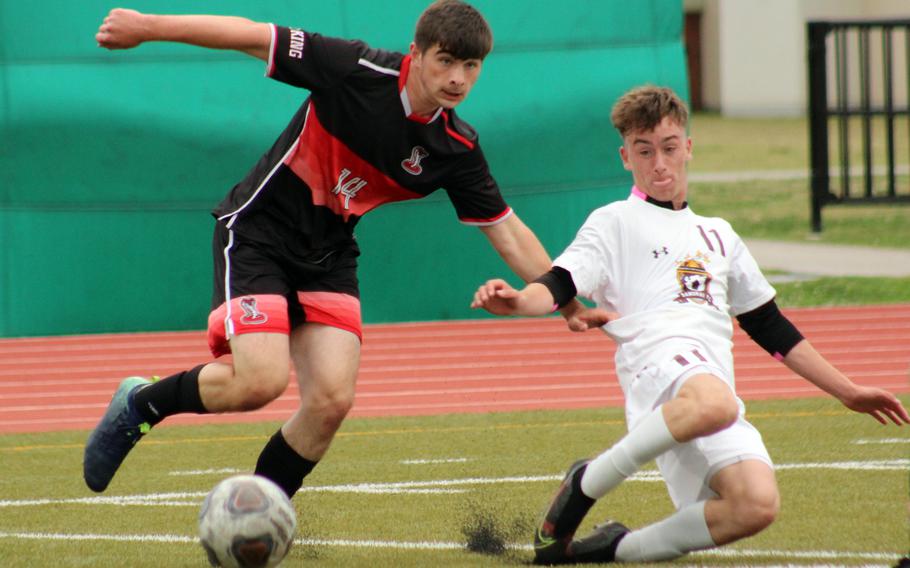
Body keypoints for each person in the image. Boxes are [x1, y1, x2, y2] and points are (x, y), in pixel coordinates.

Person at [84, 0, 580, 497]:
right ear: (417, 53)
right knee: (259, 382)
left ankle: (259, 510)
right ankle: (141, 404)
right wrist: (148, 27)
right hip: (260, 231)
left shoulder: (456, 148)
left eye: (471, 66)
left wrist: (566, 301)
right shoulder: (354, 68)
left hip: (329, 255)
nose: (458, 78)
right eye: (446, 60)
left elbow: (507, 229)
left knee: (330, 401)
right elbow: (251, 35)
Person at [471, 85, 909, 565]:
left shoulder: (718, 234)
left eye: (669, 147)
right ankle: (586, 483)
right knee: (715, 402)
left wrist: (847, 391)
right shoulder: (614, 222)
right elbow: (557, 283)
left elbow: (770, 327)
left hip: (706, 388)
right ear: (625, 158)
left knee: (755, 505)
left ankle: (605, 550)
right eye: (644, 150)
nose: (659, 162)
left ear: (689, 148)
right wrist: (518, 302)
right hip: (659, 369)